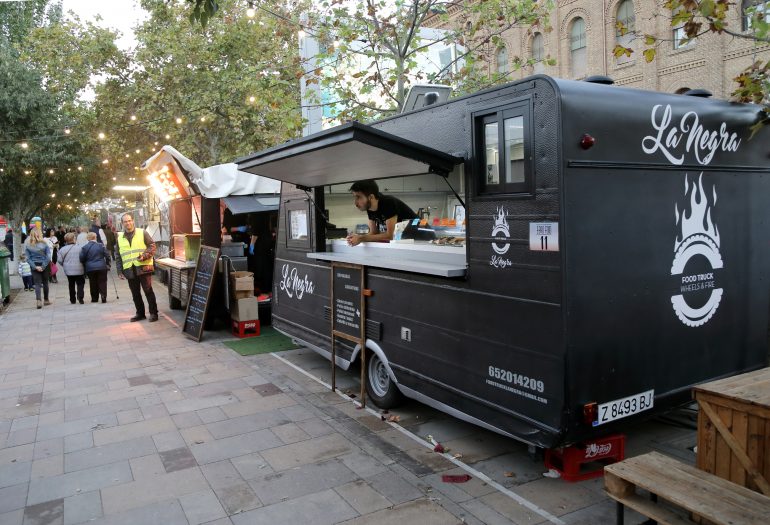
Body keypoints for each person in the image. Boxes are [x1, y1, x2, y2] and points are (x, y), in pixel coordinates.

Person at [346, 179, 419, 245]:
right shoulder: (369, 207)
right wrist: (357, 237)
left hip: (420, 237)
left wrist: (361, 238)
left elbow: (390, 235)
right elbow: (374, 233)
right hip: (407, 240)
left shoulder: (388, 202)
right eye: (355, 197)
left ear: (371, 197)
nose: (355, 202)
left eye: (358, 197)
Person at [116, 213, 158, 322]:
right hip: (129, 269)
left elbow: (152, 246)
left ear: (133, 221)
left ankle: (153, 313)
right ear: (122, 223)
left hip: (143, 267)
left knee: (148, 291)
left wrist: (144, 256)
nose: (128, 223)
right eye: (125, 221)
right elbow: (118, 255)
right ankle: (140, 314)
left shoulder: (142, 232)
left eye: (129, 220)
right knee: (135, 294)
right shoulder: (120, 237)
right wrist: (119, 271)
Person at [24, 228, 51, 309]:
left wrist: (35, 267)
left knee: (37, 284)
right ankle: (46, 300)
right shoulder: (44, 244)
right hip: (45, 265)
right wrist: (43, 266)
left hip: (34, 265)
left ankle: (38, 301)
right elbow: (48, 256)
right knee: (45, 283)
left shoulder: (28, 245)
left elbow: (28, 259)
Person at [80, 232, 109, 303]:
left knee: (92, 282)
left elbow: (81, 258)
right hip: (101, 266)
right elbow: (107, 255)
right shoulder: (101, 245)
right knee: (102, 281)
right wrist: (108, 263)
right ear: (95, 237)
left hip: (90, 268)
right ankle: (103, 295)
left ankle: (94, 298)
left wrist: (85, 263)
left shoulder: (85, 247)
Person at [58, 232, 85, 304]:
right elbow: (83, 258)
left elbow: (59, 260)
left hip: (68, 270)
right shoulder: (80, 248)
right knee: (80, 283)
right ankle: (80, 297)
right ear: (73, 239)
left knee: (71, 284)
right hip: (79, 269)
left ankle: (72, 299)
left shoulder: (62, 249)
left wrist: (65, 265)